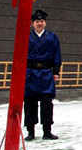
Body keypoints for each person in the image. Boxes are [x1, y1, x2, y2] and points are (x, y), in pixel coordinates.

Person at [24, 9, 62, 141]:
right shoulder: (26, 36)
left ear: (45, 23)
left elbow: (57, 54)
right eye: (37, 21)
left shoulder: (52, 37)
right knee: (29, 103)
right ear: (32, 23)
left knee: (47, 103)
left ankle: (47, 131)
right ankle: (30, 131)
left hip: (46, 72)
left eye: (42, 21)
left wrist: (56, 71)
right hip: (30, 73)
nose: (39, 23)